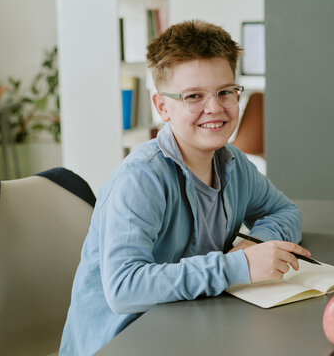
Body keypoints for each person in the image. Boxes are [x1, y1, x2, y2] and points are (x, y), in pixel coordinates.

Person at [59, 20, 310, 355]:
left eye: (225, 92)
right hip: (123, 343)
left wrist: (256, 246)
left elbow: (285, 211)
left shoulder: (232, 162)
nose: (215, 108)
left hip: (190, 328)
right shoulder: (141, 178)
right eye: (194, 96)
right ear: (162, 106)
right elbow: (124, 289)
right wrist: (239, 266)